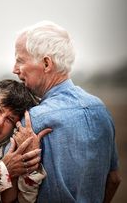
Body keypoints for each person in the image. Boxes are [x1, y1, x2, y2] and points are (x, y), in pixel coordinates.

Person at [11, 21, 121, 203]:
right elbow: (114, 179)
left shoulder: (33, 121)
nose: (14, 69)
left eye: (20, 60)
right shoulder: (100, 109)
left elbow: (9, 190)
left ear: (46, 63)